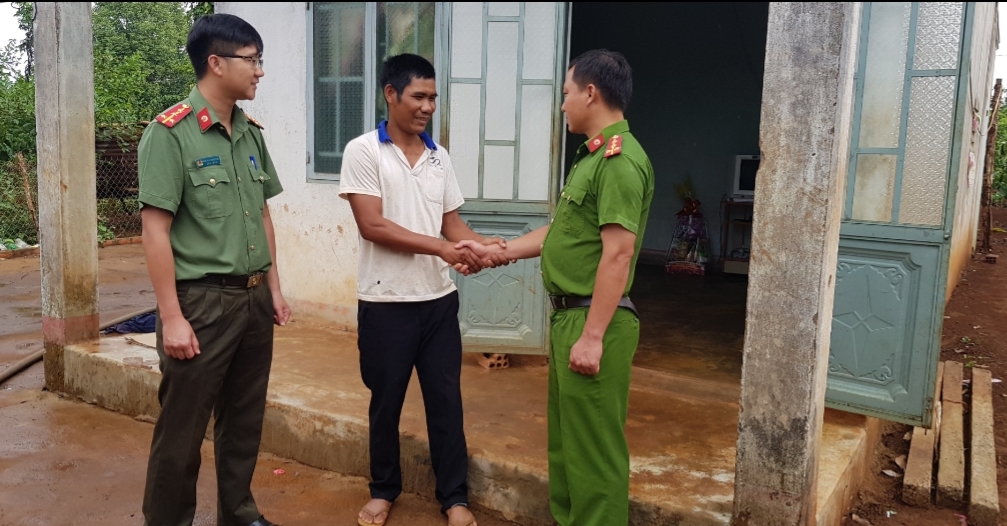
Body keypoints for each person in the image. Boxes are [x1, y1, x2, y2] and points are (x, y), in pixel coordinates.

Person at [457, 49, 654, 526]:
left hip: (594, 321)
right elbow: (560, 233)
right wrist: (497, 251)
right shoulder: (591, 160)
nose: (562, 104)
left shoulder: (619, 161)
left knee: (594, 455)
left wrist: (592, 336)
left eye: (566, 93)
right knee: (568, 449)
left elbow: (618, 253)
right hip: (571, 317)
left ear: (591, 93)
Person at [339, 53, 509, 526]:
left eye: (433, 97)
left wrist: (479, 246)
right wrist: (443, 249)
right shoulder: (364, 152)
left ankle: (454, 498)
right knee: (386, 404)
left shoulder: (439, 156)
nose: (428, 106)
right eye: (419, 96)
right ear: (391, 94)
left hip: (437, 302)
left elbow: (451, 224)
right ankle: (383, 490)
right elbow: (372, 225)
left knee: (446, 403)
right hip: (385, 303)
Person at [137, 14, 289, 526]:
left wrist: (274, 288)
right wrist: (171, 317)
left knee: (244, 420)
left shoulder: (250, 133)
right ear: (216, 63)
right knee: (182, 430)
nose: (260, 71)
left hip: (253, 300)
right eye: (253, 60)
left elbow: (262, 214)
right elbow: (155, 231)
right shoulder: (170, 133)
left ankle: (238, 513)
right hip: (200, 304)